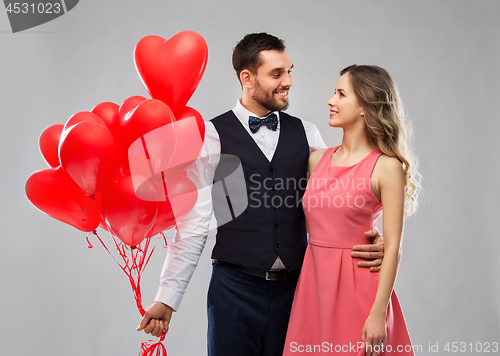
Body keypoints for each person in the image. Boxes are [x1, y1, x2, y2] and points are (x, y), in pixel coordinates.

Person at [136, 34, 385, 356]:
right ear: (247, 78)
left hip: (300, 290)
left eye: (289, 71)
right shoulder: (211, 136)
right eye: (277, 74)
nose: (289, 82)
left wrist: (371, 235)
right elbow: (193, 225)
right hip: (234, 291)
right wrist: (167, 298)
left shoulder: (307, 133)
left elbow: (341, 195)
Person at [282, 65, 420, 356]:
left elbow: (394, 245)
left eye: (341, 94)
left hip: (359, 291)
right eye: (335, 93)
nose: (331, 101)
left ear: (365, 106)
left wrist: (378, 313)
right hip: (313, 288)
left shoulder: (386, 167)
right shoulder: (315, 160)